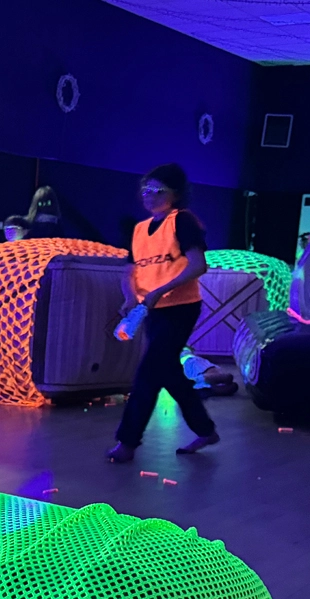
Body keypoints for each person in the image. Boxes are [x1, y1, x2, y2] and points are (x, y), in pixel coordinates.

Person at [106, 163, 219, 464]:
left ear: (176, 194)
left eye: (158, 190)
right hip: (151, 310)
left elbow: (198, 265)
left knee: (147, 373)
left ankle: (127, 442)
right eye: (146, 189)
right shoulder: (140, 230)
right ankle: (206, 430)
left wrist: (161, 290)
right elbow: (131, 270)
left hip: (180, 308)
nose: (150, 196)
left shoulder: (181, 221)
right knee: (169, 372)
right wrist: (130, 297)